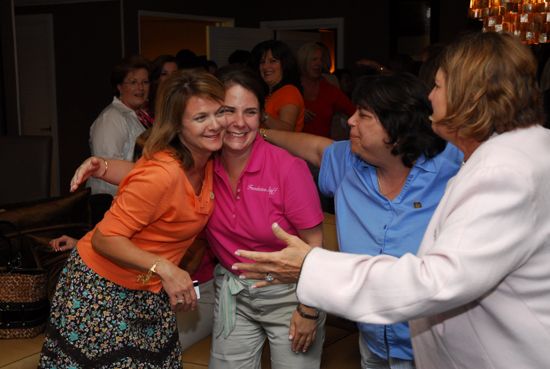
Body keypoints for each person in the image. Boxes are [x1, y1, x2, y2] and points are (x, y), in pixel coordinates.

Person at [233, 31, 550, 369]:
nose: (430, 96)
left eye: (439, 86)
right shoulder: (509, 155)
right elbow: (314, 148)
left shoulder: (499, 171)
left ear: (467, 96)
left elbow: (436, 281)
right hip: (385, 345)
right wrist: (258, 130)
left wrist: (311, 267)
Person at [69, 65, 326, 369]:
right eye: (228, 110)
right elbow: (159, 176)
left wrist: (310, 310)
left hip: (287, 295)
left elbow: (316, 249)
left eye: (251, 112)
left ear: (262, 116)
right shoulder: (208, 159)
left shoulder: (285, 169)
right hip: (232, 293)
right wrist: (104, 166)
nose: (237, 123)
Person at [249, 72, 462, 369]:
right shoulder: (347, 162)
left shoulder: (452, 166)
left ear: (397, 128)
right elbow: (315, 148)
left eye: (363, 115)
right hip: (372, 343)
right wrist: (257, 132)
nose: (350, 121)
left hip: (434, 349)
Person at [39, 69, 227, 368]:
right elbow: (105, 237)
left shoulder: (203, 160)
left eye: (220, 113)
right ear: (178, 126)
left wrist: (104, 167)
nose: (216, 125)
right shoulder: (163, 172)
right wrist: (165, 268)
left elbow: (153, 182)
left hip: (146, 288)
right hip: (100, 289)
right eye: (201, 118)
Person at [87, 55, 151, 196]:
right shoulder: (111, 119)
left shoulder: (140, 115)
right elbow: (107, 170)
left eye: (145, 82)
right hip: (110, 201)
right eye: (133, 82)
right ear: (120, 87)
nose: (140, 88)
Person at [297, 41, 355, 138]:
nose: (319, 63)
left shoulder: (329, 89)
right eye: (314, 59)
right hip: (292, 148)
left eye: (321, 60)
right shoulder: (292, 87)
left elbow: (353, 111)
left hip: (322, 149)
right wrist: (296, 113)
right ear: (304, 61)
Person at [249, 39, 305, 132]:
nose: (266, 67)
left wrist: (262, 115)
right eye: (262, 62)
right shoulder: (267, 93)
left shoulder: (289, 91)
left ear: (285, 64)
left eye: (272, 61)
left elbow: (287, 130)